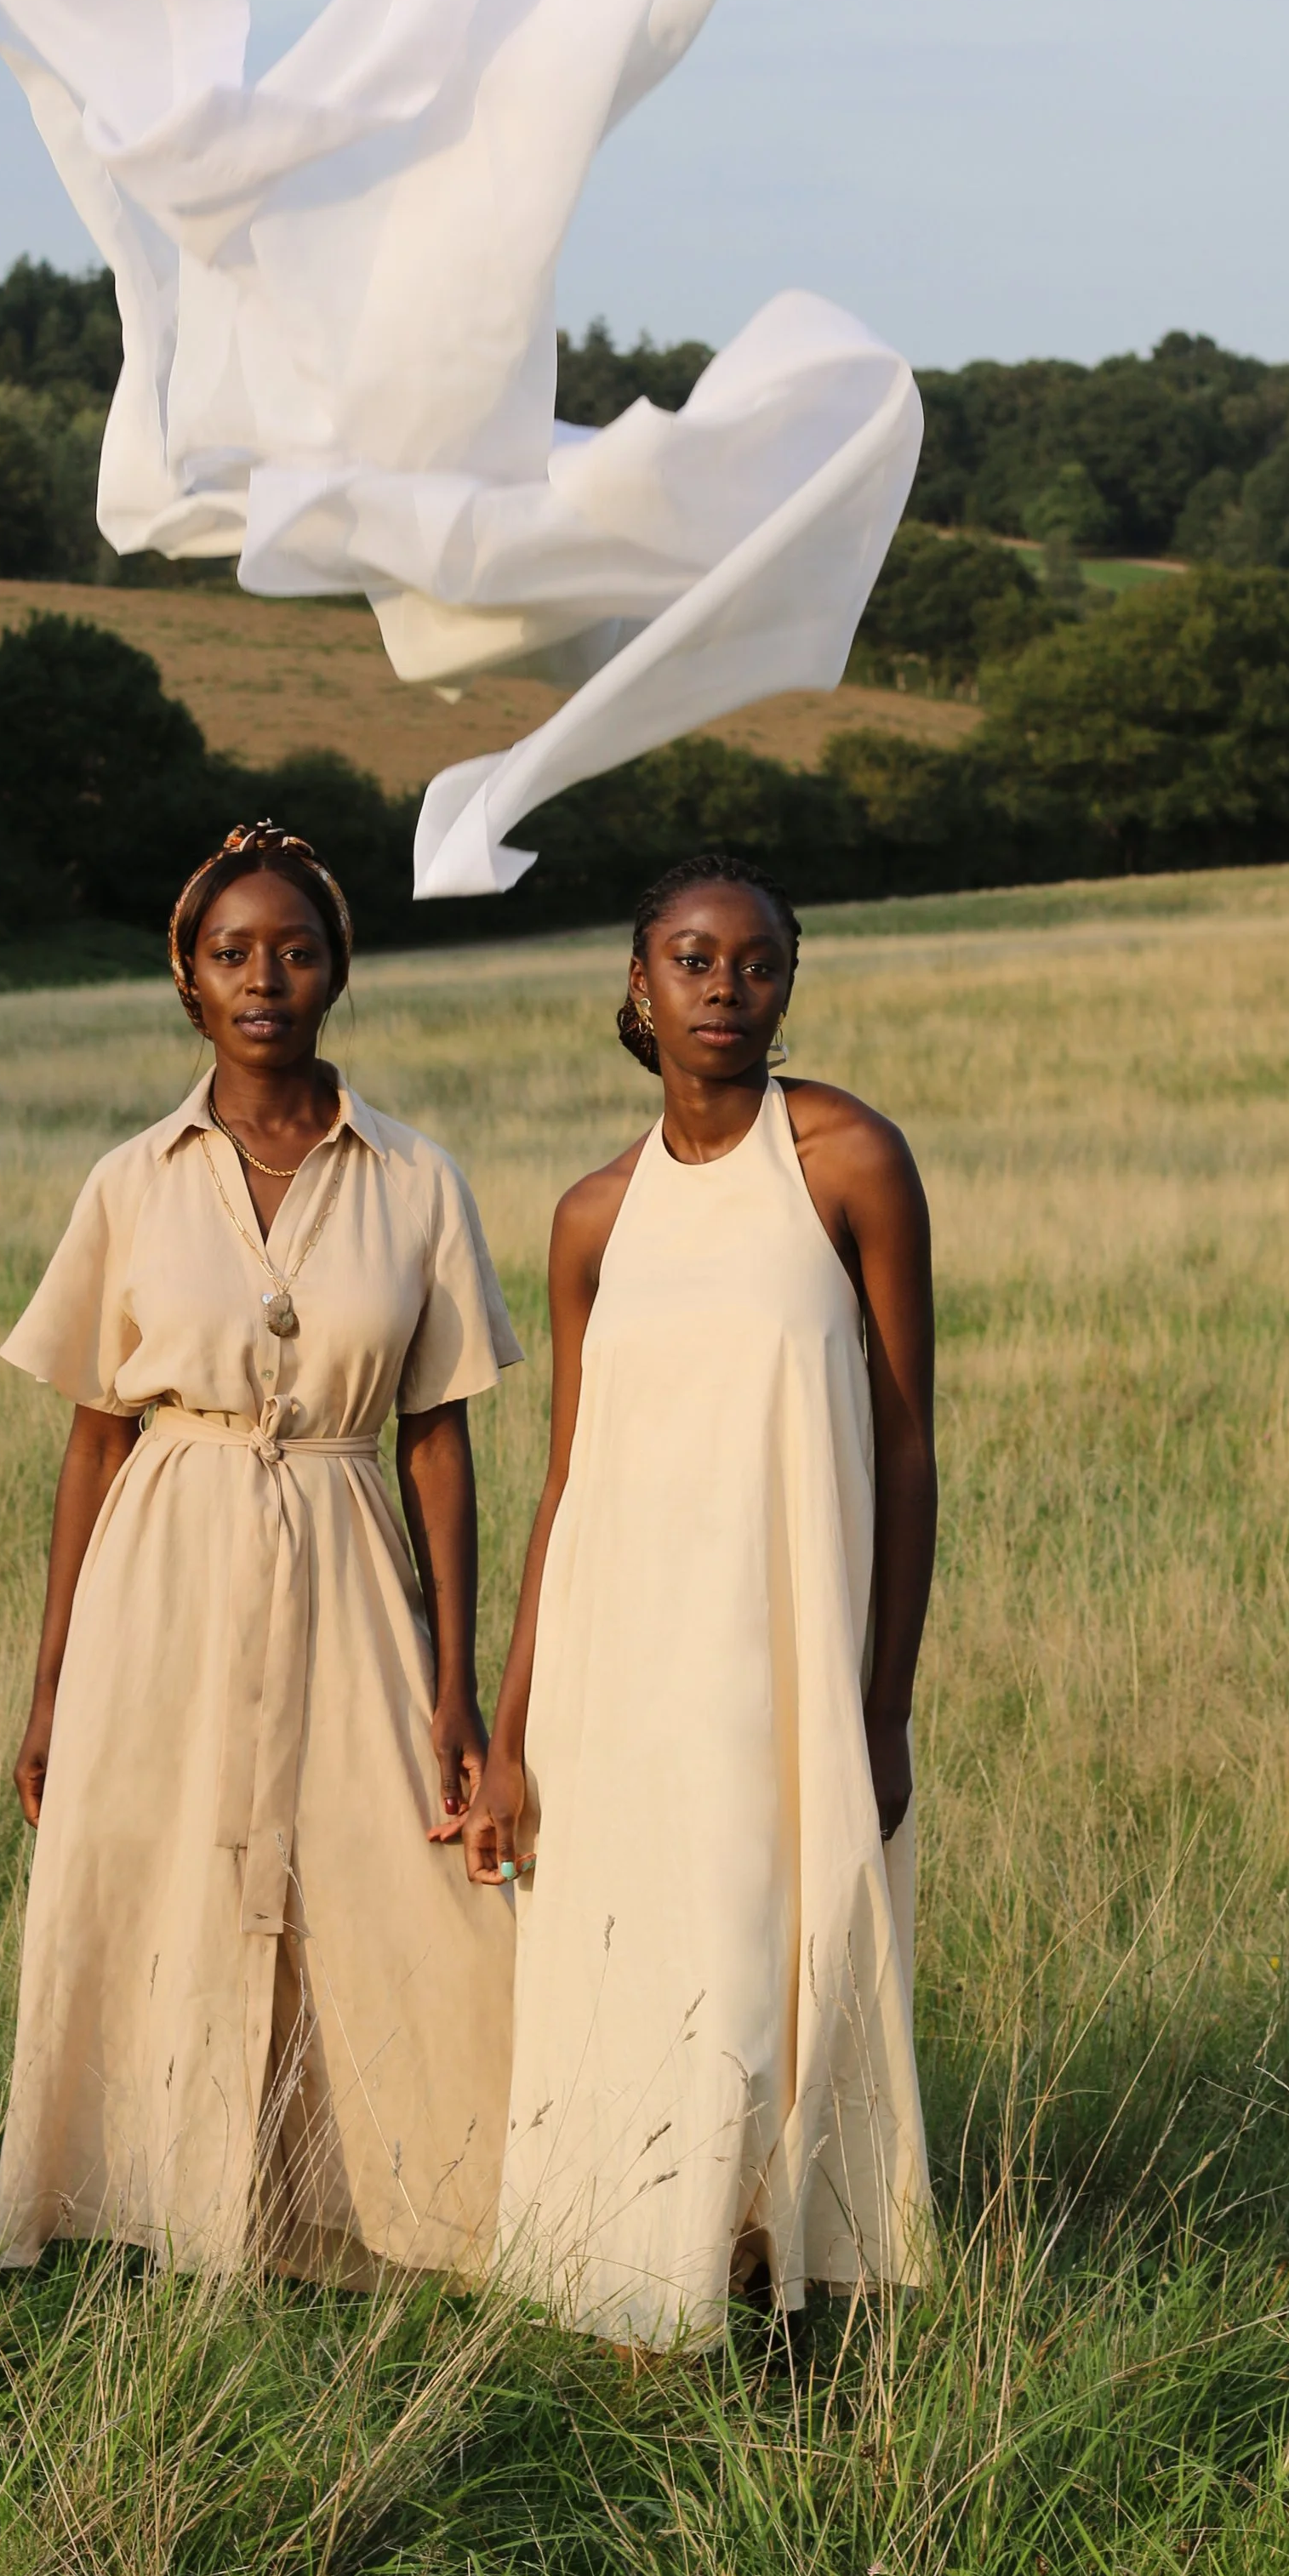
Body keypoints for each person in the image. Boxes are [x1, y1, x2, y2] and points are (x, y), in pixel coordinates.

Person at [0, 820, 522, 2282]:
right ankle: (146, 2200)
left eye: (295, 949)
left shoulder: (416, 1178)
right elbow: (95, 1437)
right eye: (233, 952)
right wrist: (50, 1683)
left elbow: (437, 1440)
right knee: (151, 1866)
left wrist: (455, 1680)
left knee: (393, 1875)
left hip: (348, 1550)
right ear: (189, 976)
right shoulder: (134, 1178)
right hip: (163, 1559)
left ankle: (447, 2206)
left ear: (338, 968)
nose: (264, 977)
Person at [463, 852, 939, 2348]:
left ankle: (786, 2283)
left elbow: (910, 1445)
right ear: (638, 982)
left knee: (757, 1956)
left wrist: (883, 1705)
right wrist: (509, 1735)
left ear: (789, 982)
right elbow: (564, 1486)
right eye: (692, 958)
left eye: (757, 961)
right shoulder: (593, 1217)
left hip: (781, 1663)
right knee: (637, 1961)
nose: (726, 986)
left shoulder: (849, 1159)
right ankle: (640, 2296)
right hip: (617, 1671)